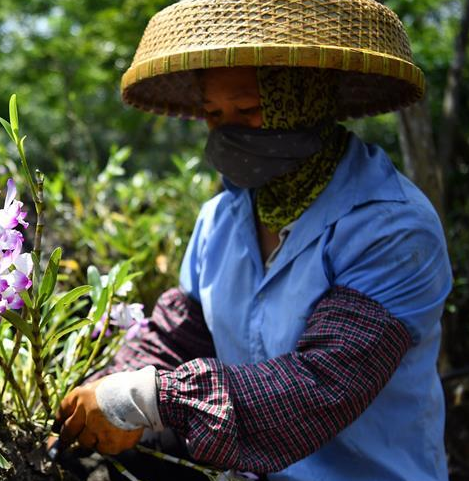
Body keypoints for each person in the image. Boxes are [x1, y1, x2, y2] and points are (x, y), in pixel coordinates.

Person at [51, 1, 452, 480]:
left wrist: (147, 398)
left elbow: (320, 384)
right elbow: (181, 335)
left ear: (304, 101)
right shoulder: (221, 219)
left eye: (248, 110)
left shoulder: (393, 229)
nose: (228, 131)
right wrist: (105, 389)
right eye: (213, 114)